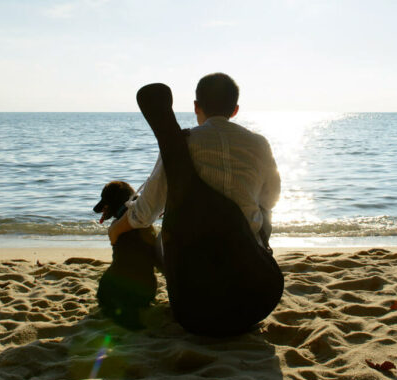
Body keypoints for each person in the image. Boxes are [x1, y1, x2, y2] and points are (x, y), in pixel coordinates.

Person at [107, 72, 281, 253]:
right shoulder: (260, 143)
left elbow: (145, 212)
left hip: (194, 257)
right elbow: (270, 199)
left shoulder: (181, 142)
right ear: (235, 110)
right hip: (247, 252)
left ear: (196, 106)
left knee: (157, 238)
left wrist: (115, 229)